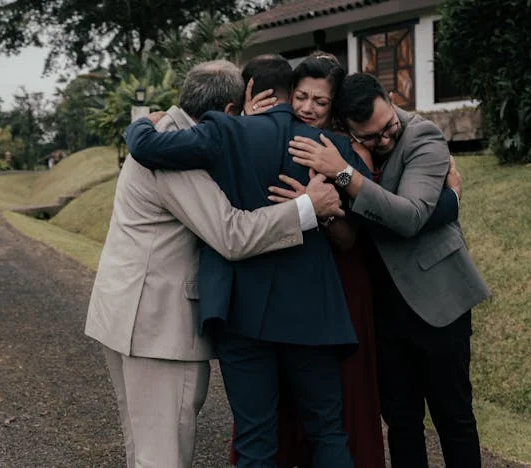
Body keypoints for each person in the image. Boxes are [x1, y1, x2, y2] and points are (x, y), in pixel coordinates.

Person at [85, 60, 344, 468]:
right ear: (227, 112)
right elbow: (231, 235)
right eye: (239, 114)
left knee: (144, 449)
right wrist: (308, 207)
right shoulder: (175, 155)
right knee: (162, 455)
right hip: (157, 326)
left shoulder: (165, 132)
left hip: (128, 312)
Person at [245, 52, 461, 468]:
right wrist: (247, 122)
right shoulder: (272, 133)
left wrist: (449, 201)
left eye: (320, 102)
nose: (307, 107)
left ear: (335, 111)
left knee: (354, 400)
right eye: (301, 97)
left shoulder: (355, 149)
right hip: (282, 284)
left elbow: (387, 219)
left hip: (351, 282)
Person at [286, 72, 491, 468]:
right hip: (383, 311)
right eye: (372, 136)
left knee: (455, 420)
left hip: (437, 300)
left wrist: (346, 174)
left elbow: (411, 216)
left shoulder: (423, 137)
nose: (385, 139)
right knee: (401, 422)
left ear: (392, 99)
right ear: (347, 127)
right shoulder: (338, 145)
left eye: (388, 126)